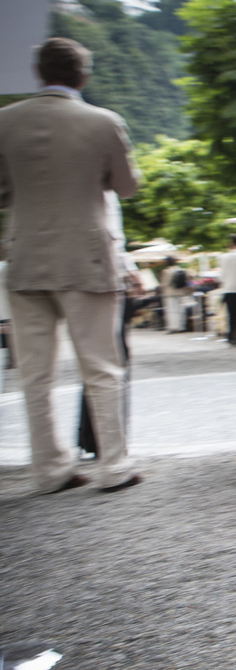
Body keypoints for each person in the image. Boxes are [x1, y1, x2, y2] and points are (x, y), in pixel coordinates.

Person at [0, 37, 142, 493]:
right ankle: (114, 466)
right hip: (86, 258)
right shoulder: (103, 121)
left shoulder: (5, 122)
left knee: (35, 374)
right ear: (83, 75)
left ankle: (50, 470)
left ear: (38, 74)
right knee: (101, 367)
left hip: (23, 259)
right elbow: (126, 186)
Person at [160, 255, 193, 332]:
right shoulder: (182, 270)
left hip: (170, 293)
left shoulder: (167, 272)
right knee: (181, 310)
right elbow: (187, 281)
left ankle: (174, 327)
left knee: (172, 310)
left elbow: (165, 283)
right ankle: (182, 326)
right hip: (181, 292)